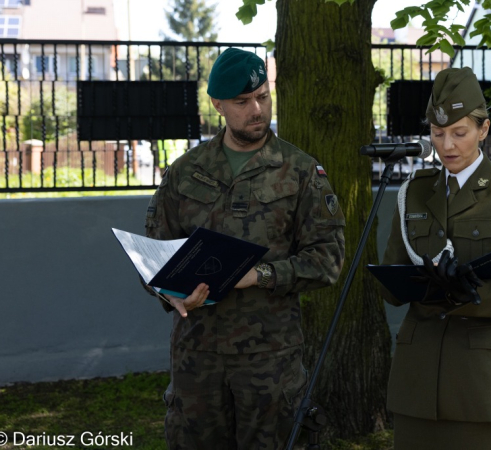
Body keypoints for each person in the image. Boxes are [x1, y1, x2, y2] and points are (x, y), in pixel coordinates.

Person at [143, 48, 346, 450]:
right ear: (217, 104)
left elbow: (328, 259)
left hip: (269, 359)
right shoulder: (186, 171)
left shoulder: (300, 170)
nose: (257, 109)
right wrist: (164, 290)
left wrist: (262, 275)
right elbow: (153, 252)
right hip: (196, 356)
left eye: (263, 96)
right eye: (242, 102)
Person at [379, 67, 491, 450]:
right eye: (438, 134)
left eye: (459, 132)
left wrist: (466, 290)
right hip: (416, 381)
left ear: (483, 130)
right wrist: (402, 283)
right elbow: (393, 282)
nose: (447, 145)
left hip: (480, 385)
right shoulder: (414, 192)